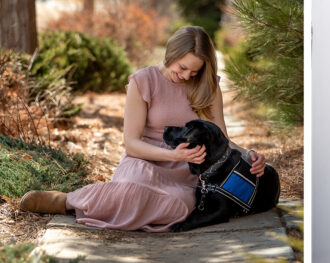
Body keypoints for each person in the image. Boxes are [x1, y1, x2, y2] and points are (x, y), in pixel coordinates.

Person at [20, 26, 267, 232]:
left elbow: (223, 139)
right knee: (133, 190)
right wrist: (173, 154)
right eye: (182, 67)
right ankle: (67, 201)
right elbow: (132, 143)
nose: (187, 75)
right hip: (143, 162)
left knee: (182, 206)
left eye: (195, 71)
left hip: (187, 172)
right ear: (170, 54)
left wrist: (247, 155)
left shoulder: (207, 86)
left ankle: (113, 205)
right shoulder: (143, 81)